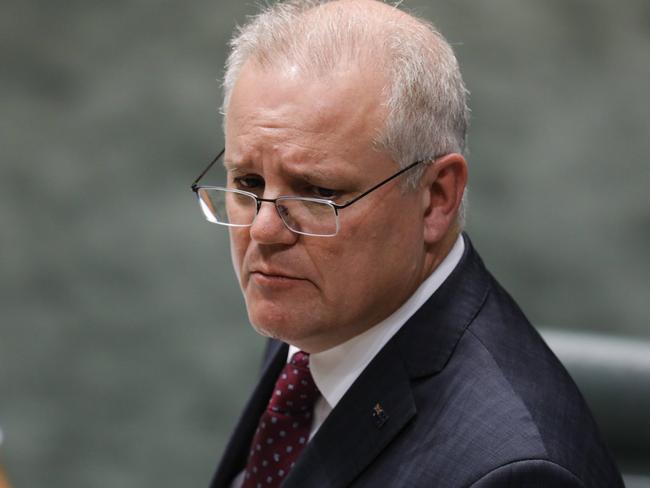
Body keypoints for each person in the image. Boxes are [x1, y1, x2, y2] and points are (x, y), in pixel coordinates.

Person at [191, 1, 624, 486]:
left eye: (319, 193)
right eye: (248, 183)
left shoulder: (516, 473)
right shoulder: (322, 315)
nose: (266, 231)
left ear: (436, 198)